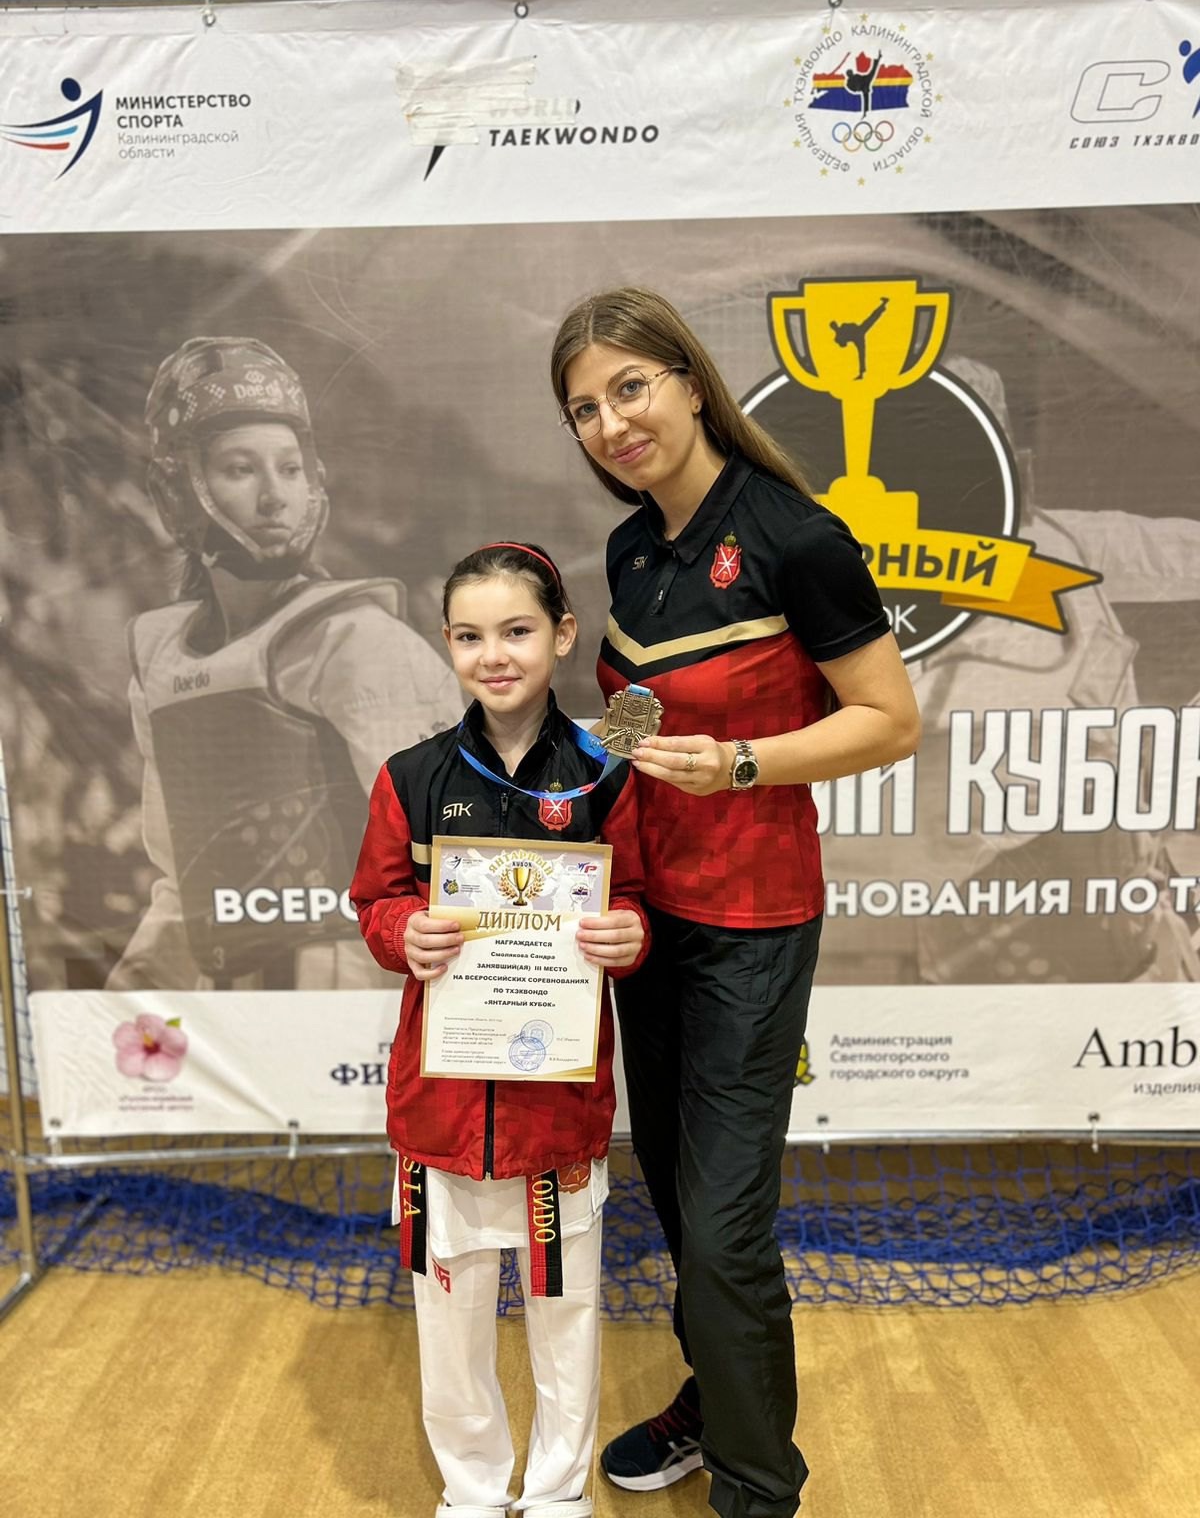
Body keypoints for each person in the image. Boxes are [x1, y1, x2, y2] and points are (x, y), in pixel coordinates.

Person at [550, 288, 921, 1518]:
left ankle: (760, 1489)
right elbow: (636, 715)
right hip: (648, 919)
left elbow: (890, 721)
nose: (613, 423)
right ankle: (716, 1400)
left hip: (754, 923)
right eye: (585, 409)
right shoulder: (631, 550)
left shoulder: (793, 536)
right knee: (673, 1187)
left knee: (722, 1227)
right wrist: (565, 795)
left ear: (690, 383)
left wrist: (743, 763)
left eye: (630, 388)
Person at [350, 541, 649, 1518]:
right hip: (439, 1110)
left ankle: (558, 1491)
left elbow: (640, 899)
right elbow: (375, 902)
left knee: (566, 1314)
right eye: (470, 636)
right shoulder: (410, 776)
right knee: (449, 1319)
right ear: (447, 644)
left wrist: (629, 932)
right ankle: (473, 1490)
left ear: (562, 635)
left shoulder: (607, 773)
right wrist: (404, 931)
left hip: (555, 1109)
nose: (495, 654)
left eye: (517, 630)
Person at [105, 335, 461, 991]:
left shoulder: (357, 643)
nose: (275, 497)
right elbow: (182, 883)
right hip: (234, 1011)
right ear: (176, 488)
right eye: (241, 469)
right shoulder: (160, 660)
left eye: (290, 469)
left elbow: (450, 856)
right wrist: (124, 1006)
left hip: (356, 999)